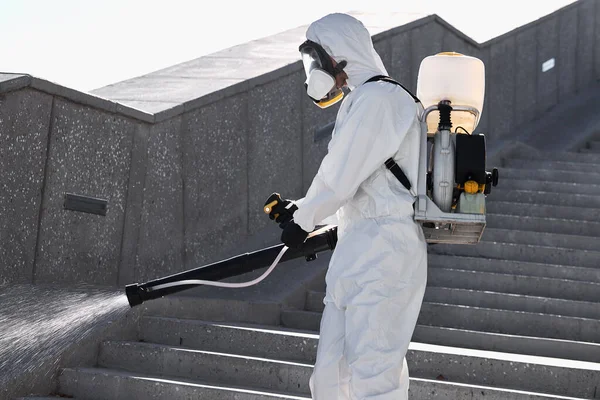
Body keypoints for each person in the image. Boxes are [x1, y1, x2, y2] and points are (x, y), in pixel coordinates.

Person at [265, 13, 427, 399]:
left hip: (386, 251)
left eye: (317, 60)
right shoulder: (361, 101)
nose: (315, 72)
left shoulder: (383, 98)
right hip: (358, 249)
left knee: (374, 377)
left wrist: (305, 217)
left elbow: (342, 171)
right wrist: (303, 210)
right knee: (330, 379)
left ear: (339, 56)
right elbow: (353, 181)